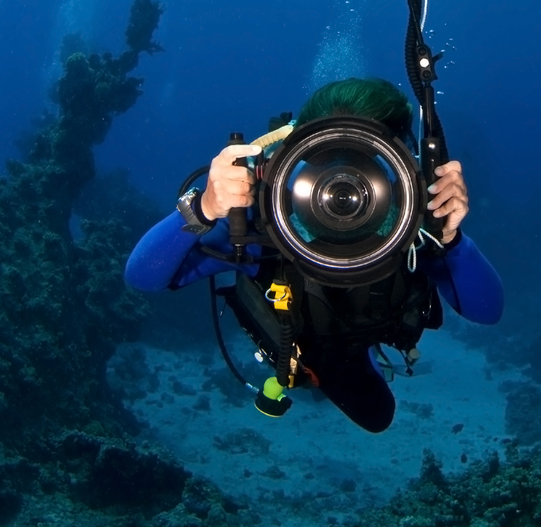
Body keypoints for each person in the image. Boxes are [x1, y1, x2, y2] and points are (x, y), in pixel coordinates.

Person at [125, 77, 503, 432]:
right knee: (375, 413)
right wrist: (205, 207)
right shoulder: (265, 229)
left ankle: (359, 356)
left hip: (366, 329)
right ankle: (329, 368)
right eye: (329, 166)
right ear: (297, 154)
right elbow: (143, 276)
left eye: (366, 165)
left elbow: (487, 310)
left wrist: (450, 237)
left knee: (375, 415)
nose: (344, 190)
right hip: (305, 344)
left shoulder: (413, 227)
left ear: (404, 164)